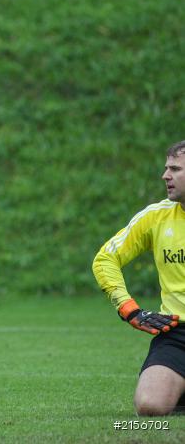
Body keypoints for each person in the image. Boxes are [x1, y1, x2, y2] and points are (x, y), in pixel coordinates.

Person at [92, 141, 185, 416]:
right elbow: (105, 258)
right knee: (149, 406)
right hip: (177, 334)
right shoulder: (157, 216)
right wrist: (129, 308)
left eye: (175, 169)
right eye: (166, 168)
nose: (165, 175)